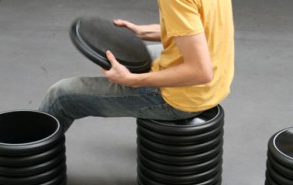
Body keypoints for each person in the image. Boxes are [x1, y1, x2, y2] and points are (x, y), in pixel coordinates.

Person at [39, 0, 234, 133]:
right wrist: (144, 31)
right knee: (133, 58)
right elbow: (203, 29)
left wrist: (133, 80)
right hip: (218, 80)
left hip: (186, 98)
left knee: (61, 95)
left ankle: (25, 164)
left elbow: (200, 71)